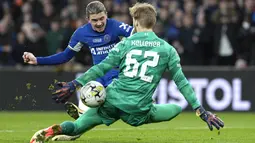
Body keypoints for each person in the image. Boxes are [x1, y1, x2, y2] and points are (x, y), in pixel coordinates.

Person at [30, 3, 224, 143]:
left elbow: (100, 68)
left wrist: (74, 84)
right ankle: (143, 108)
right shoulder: (167, 49)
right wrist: (201, 111)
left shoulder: (125, 44)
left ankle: (53, 130)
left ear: (136, 22)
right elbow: (182, 82)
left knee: (78, 127)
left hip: (111, 99)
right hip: (138, 109)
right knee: (175, 109)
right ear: (154, 22)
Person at [23, 1, 133, 119]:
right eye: (95, 20)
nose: (100, 23)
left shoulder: (116, 26)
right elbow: (66, 56)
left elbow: (140, 35)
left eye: (102, 18)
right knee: (85, 101)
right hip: (98, 77)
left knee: (116, 107)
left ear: (106, 14)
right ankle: (80, 120)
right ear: (88, 19)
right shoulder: (81, 33)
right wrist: (37, 60)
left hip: (118, 76)